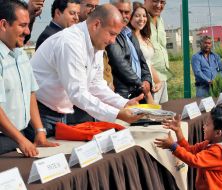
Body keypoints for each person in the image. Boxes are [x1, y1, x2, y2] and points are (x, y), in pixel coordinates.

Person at [29, 4, 143, 139]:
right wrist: (117, 113)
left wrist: (123, 103)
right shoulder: (70, 43)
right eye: (112, 34)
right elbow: (78, 93)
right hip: (40, 113)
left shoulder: (97, 43)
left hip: (61, 112)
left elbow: (96, 85)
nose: (113, 41)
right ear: (96, 25)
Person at [0, 0, 58, 156]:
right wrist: (20, 140)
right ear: (4, 25)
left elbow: (30, 92)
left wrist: (39, 130)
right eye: (22, 25)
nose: (27, 31)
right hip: (4, 143)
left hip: (19, 137)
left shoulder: (21, 54)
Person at [154, 106, 222, 190]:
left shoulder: (218, 152)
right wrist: (178, 130)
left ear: (218, 133)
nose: (203, 126)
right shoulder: (208, 144)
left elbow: (194, 160)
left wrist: (173, 146)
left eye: (207, 124)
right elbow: (190, 150)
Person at [107, 0, 153, 103]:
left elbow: (143, 62)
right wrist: (141, 83)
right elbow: (120, 64)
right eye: (120, 11)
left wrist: (147, 81)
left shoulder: (130, 34)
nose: (123, 16)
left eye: (127, 12)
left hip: (139, 92)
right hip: (123, 94)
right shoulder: (110, 34)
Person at [129, 2, 162, 104]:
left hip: (150, 84)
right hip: (139, 86)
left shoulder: (146, 37)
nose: (141, 19)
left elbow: (148, 62)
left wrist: (158, 81)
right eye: (137, 16)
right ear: (130, 17)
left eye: (144, 16)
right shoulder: (128, 38)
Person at [144, 0, 169, 104]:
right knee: (151, 117)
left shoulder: (160, 19)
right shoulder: (141, 19)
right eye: (155, 1)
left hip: (163, 77)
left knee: (163, 115)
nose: (159, 5)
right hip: (150, 81)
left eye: (162, 2)